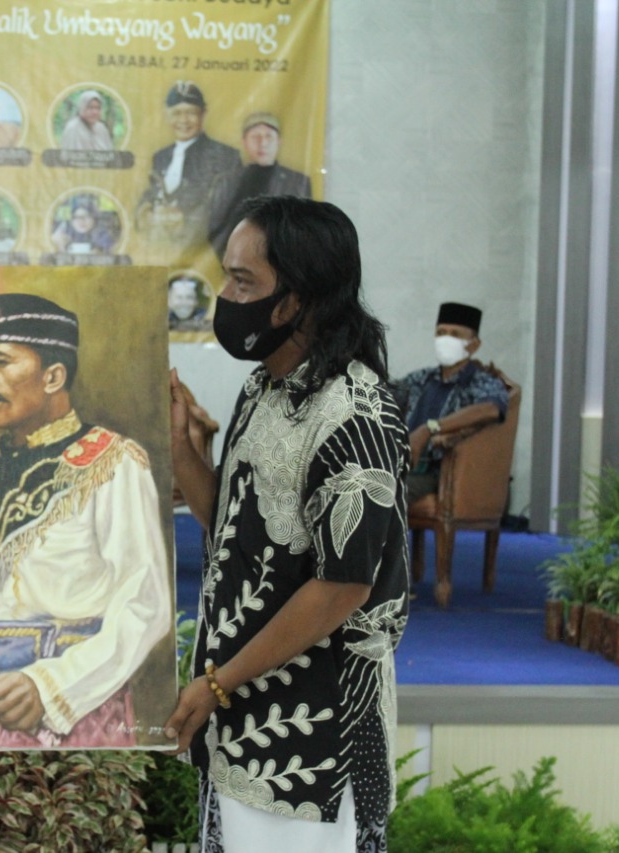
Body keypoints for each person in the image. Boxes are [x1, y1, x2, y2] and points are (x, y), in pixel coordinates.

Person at [167, 196, 409, 853]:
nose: (225, 295)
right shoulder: (261, 389)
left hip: (313, 746)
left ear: (296, 298)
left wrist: (220, 681)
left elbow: (342, 587)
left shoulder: (355, 413)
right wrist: (184, 452)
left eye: (243, 281)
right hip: (242, 716)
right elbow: (233, 533)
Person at [0, 276, 171, 749]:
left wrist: (50, 687)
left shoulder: (112, 462)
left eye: (0, 361)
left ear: (52, 377)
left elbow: (143, 603)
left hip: (77, 712)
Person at [391, 302, 510, 506]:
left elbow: (490, 409)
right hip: (400, 465)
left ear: (474, 345)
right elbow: (383, 396)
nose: (446, 339)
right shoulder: (422, 378)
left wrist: (429, 429)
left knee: (383, 492)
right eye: (441, 332)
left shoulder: (481, 381)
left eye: (455, 334)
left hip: (440, 472)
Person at [137, 82, 241, 249]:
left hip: (204, 252)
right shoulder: (160, 157)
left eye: (191, 113)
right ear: (166, 115)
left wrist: (182, 217)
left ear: (203, 114)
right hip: (162, 250)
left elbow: (229, 208)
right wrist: (147, 214)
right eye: (176, 113)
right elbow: (151, 193)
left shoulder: (225, 156)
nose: (183, 120)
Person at [211, 112, 314, 253]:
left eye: (269, 136)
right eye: (255, 137)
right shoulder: (225, 182)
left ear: (279, 141)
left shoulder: (298, 182)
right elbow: (216, 231)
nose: (263, 143)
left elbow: (304, 229)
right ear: (244, 141)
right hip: (238, 262)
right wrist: (235, 263)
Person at [50, 196, 117, 254]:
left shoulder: (103, 236)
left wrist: (100, 254)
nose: (81, 221)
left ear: (94, 219)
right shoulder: (65, 234)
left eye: (86, 216)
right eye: (76, 217)